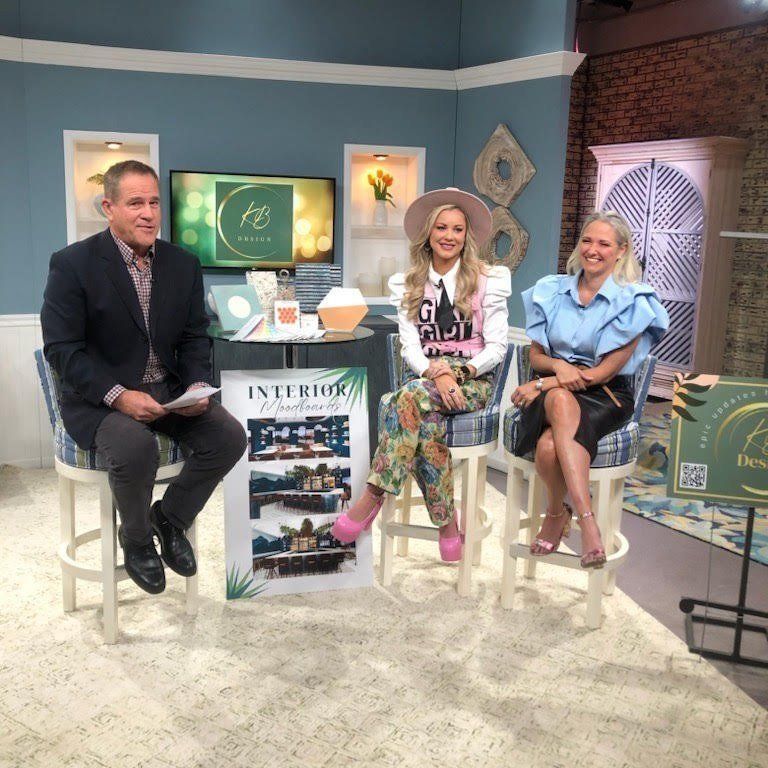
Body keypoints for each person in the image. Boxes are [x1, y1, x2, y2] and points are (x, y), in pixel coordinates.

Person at [41, 160, 247, 595]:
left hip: (167, 393)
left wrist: (195, 385)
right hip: (99, 398)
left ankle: (168, 518)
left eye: (154, 202)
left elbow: (194, 337)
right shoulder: (72, 264)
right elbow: (62, 351)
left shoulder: (183, 264)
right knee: (135, 447)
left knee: (229, 436)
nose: (148, 213)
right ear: (109, 208)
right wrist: (118, 396)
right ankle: (135, 540)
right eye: (135, 203)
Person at [332, 187, 511, 561]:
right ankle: (447, 523)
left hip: (474, 384)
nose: (449, 236)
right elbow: (410, 347)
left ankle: (372, 496)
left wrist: (455, 374)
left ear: (467, 236)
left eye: (458, 229)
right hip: (428, 383)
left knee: (404, 397)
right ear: (428, 234)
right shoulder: (408, 283)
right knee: (422, 417)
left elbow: (497, 348)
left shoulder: (489, 280)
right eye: (441, 228)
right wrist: (436, 373)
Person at [510, 210, 668, 568]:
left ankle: (558, 515)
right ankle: (588, 524)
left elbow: (597, 375)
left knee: (550, 446)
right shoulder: (551, 290)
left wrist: (543, 382)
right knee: (561, 398)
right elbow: (537, 355)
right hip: (555, 395)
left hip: (605, 395)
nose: (592, 249)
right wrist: (555, 368)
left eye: (604, 243)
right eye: (587, 240)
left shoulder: (635, 301)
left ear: (621, 251)